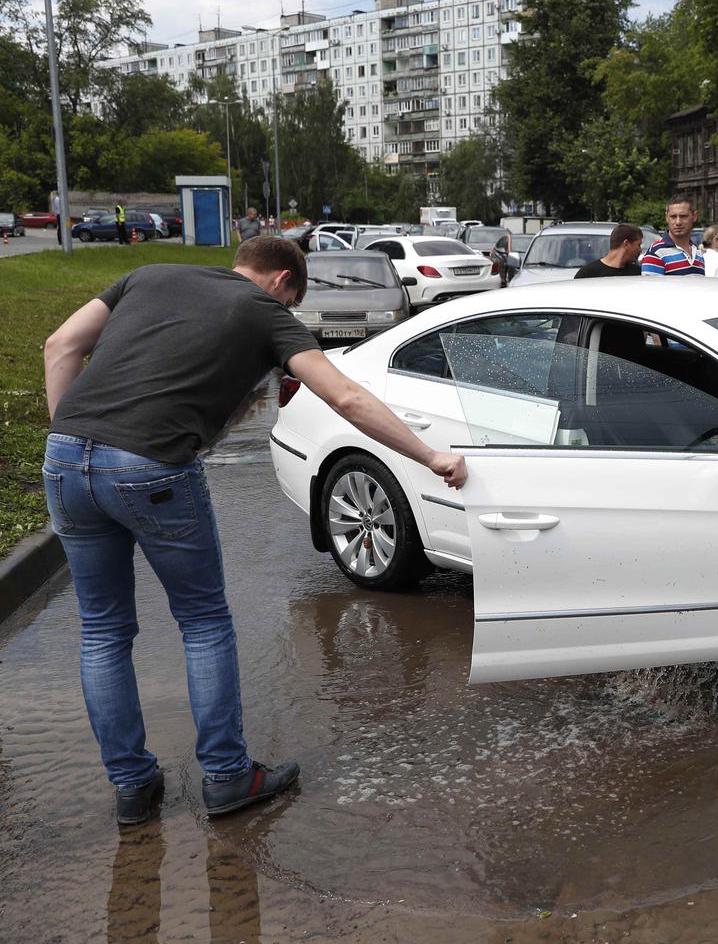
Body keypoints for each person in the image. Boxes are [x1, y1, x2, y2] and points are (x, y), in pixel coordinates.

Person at [42, 235, 467, 826]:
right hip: (154, 466)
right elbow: (343, 394)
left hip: (64, 457)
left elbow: (60, 345)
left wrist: (70, 438)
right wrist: (429, 456)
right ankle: (226, 777)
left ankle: (133, 788)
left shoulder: (149, 274)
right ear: (282, 282)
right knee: (203, 622)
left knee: (103, 632)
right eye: (293, 302)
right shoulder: (264, 309)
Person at [641, 195, 705, 276]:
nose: (678, 222)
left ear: (694, 216)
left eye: (683, 216)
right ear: (667, 217)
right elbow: (649, 288)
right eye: (673, 217)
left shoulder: (698, 253)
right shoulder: (656, 253)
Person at [574, 223, 644, 279]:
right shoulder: (588, 274)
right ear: (626, 244)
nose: (640, 249)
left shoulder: (637, 273)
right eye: (638, 244)